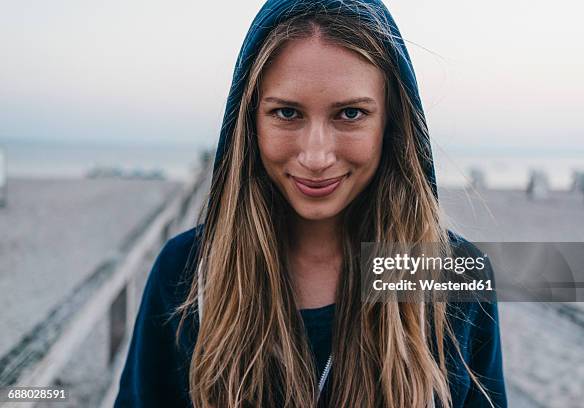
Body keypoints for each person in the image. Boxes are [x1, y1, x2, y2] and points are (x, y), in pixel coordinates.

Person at [114, 0, 507, 407]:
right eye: (287, 112)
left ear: (391, 122)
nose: (316, 157)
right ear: (249, 122)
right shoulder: (187, 272)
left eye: (350, 113)